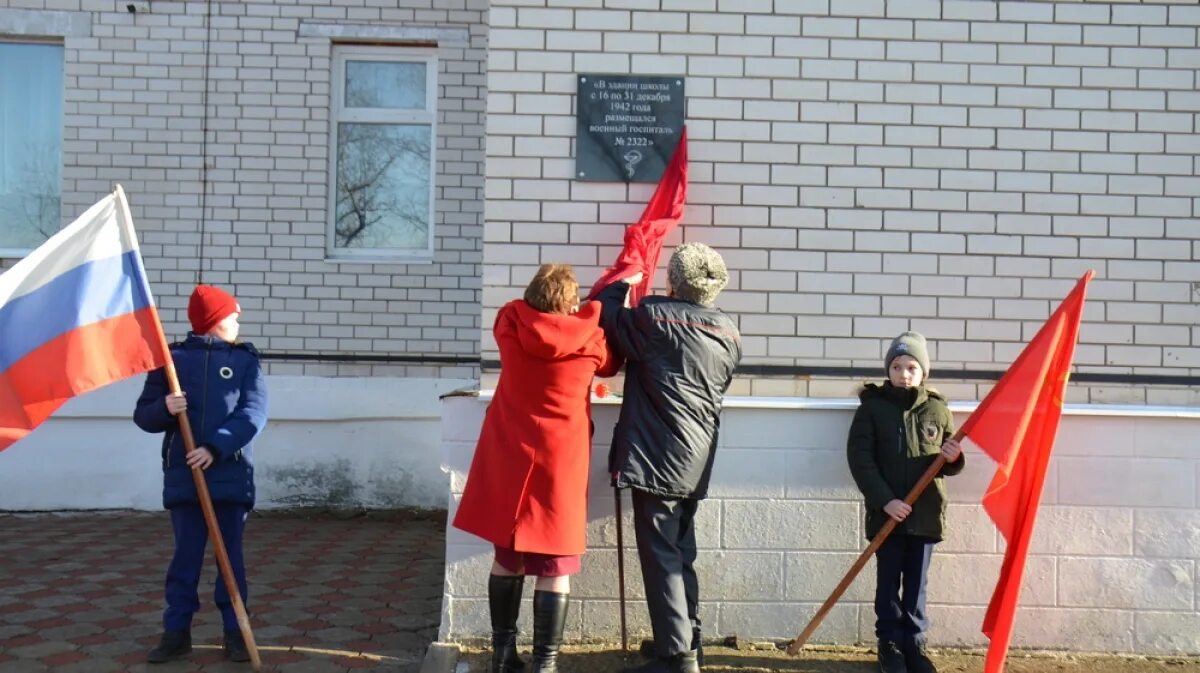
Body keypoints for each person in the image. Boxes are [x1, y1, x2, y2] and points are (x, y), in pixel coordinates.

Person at [453, 264, 619, 673]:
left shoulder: (511, 326)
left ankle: (502, 656)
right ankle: (545, 665)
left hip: (511, 453)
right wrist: (600, 305)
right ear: (570, 301)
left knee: (507, 557)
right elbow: (611, 365)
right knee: (555, 564)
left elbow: (507, 313)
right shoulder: (591, 341)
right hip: (560, 461)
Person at [595, 243, 742, 673]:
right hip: (698, 454)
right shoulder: (730, 333)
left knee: (661, 555)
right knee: (680, 551)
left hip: (659, 453)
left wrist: (619, 285)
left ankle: (677, 658)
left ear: (673, 282)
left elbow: (608, 318)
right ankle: (685, 641)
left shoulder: (656, 319)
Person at [134, 285, 268, 664]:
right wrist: (165, 405)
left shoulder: (244, 362)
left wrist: (216, 447)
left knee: (230, 559)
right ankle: (176, 631)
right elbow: (144, 416)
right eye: (231, 314)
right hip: (185, 479)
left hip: (229, 476)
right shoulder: (171, 361)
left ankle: (236, 632)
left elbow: (253, 414)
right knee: (185, 559)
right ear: (213, 321)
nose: (237, 320)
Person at [846, 331, 964, 673]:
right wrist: (886, 502)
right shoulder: (873, 409)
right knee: (888, 584)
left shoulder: (937, 410)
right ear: (889, 370)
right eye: (897, 366)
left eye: (911, 367)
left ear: (923, 372)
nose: (903, 373)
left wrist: (953, 457)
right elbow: (861, 461)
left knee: (917, 585)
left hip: (925, 515)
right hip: (888, 516)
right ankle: (890, 644)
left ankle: (914, 644)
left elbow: (946, 463)